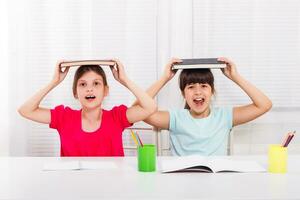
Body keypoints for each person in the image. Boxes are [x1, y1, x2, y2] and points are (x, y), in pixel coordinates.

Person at [18, 59, 157, 156]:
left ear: (105, 91)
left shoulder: (117, 117)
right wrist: (54, 82)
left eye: (96, 84)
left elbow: (150, 107)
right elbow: (25, 110)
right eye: (83, 84)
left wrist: (125, 80)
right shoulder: (64, 117)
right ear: (75, 93)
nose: (89, 89)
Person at [136, 57, 272, 156]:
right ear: (183, 93)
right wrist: (164, 78)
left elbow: (264, 105)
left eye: (204, 86)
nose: (198, 92)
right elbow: (138, 110)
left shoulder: (224, 116)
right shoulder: (175, 118)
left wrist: (235, 77)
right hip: (182, 180)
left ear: (212, 90)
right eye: (191, 87)